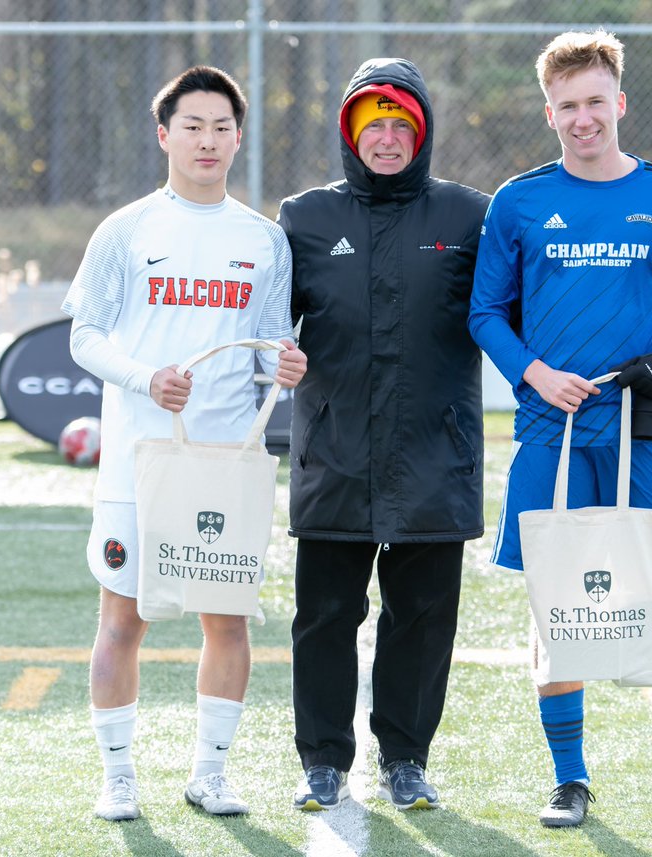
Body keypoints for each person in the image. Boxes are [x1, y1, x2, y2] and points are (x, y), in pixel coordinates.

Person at [468, 31, 652, 832]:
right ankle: (569, 778)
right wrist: (534, 372)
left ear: (618, 103)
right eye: (566, 107)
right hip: (550, 431)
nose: (582, 119)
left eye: (595, 102)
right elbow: (485, 310)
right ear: (549, 113)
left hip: (641, 431)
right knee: (558, 602)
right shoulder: (517, 201)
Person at [61, 65, 307, 822]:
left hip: (225, 467)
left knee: (225, 620)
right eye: (192, 126)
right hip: (140, 463)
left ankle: (211, 773)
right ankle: (118, 775)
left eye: (221, 127)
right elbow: (84, 335)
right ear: (164, 134)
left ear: (238, 138)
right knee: (121, 619)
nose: (208, 139)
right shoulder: (127, 229)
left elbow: (267, 350)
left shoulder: (264, 240)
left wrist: (286, 364)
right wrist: (145, 380)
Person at [277, 58, 489, 812]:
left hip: (438, 450)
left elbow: (510, 314)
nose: (389, 139)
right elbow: (269, 326)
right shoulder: (304, 217)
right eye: (375, 126)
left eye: (403, 125)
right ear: (351, 134)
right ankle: (323, 760)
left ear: (423, 133)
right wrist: (279, 354)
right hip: (335, 452)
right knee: (326, 614)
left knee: (423, 618)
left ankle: (405, 756)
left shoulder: (470, 216)